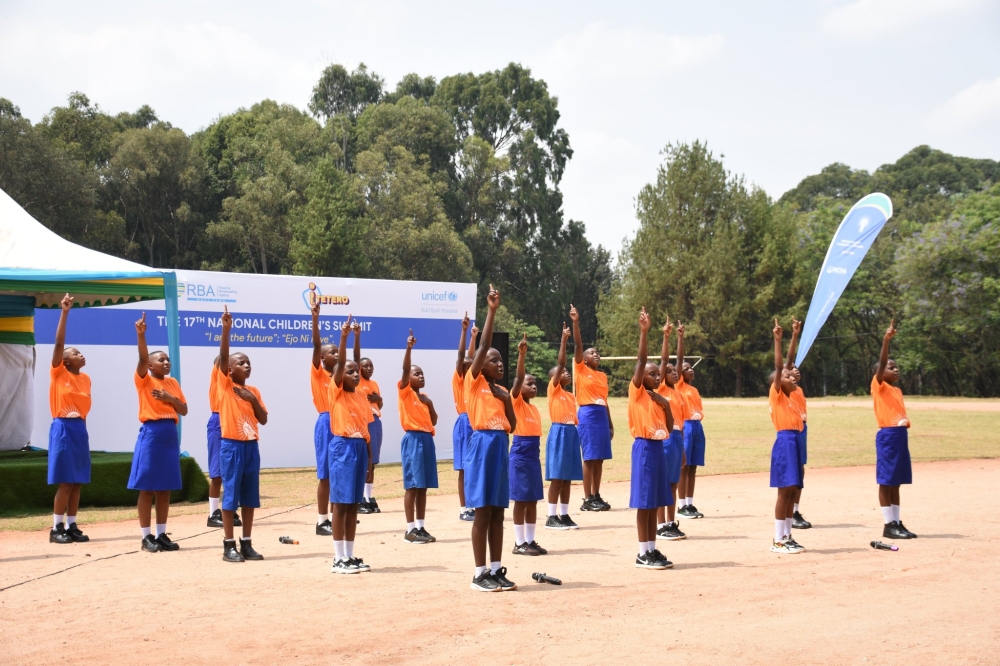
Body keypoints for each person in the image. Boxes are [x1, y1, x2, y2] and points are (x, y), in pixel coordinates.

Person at [465, 285, 518, 592]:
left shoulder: (500, 392)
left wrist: (507, 400)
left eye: (501, 361)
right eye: (493, 360)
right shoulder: (474, 383)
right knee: (483, 511)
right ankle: (479, 573)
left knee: (498, 511)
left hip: (500, 444)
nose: (499, 364)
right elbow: (483, 345)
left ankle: (497, 569)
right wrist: (492, 311)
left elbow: (511, 425)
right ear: (480, 364)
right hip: (482, 444)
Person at [127, 312, 188, 554]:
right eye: (161, 360)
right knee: (148, 488)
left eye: (168, 359)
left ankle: (161, 534)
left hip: (169, 435)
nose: (166, 362)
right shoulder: (144, 380)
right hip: (152, 434)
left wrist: (169, 397)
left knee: (165, 488)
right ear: (150, 366)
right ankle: (146, 536)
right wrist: (141, 335)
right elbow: (142, 357)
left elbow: (184, 409)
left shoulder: (172, 383)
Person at [217, 306, 269, 562]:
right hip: (232, 446)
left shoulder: (254, 391)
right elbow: (223, 355)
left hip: (251, 448)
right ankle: (228, 545)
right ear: (229, 369)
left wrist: (252, 399)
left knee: (249, 498)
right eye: (241, 363)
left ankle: (246, 542)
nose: (246, 366)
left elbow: (264, 419)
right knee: (230, 498)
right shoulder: (225, 386)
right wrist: (226, 330)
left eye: (249, 363)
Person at [627, 308, 674, 570]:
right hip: (644, 448)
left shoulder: (658, 399)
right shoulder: (637, 392)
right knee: (644, 503)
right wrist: (644, 332)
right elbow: (642, 359)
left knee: (654, 502)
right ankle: (642, 552)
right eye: (652, 374)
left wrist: (666, 405)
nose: (656, 377)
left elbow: (668, 429)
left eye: (659, 375)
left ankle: (653, 549)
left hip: (658, 448)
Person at [327, 315, 372, 573]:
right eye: (349, 371)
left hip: (358, 448)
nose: (355, 374)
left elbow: (365, 431)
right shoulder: (336, 392)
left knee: (354, 504)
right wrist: (344, 338)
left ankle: (350, 555)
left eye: (357, 371)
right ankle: (338, 558)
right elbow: (342, 360)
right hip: (342, 447)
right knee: (341, 504)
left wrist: (367, 462)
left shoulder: (362, 396)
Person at [47, 294, 92, 544]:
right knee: (65, 482)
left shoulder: (85, 379)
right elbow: (58, 343)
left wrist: (83, 432)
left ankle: (72, 525)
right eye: (77, 353)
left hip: (79, 430)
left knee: (77, 483)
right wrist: (65, 312)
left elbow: (84, 409)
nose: (81, 355)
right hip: (62, 428)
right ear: (65, 361)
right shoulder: (57, 373)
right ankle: (56, 528)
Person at [872, 320, 917, 540]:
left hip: (899, 436)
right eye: (891, 367)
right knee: (886, 481)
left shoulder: (896, 390)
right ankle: (888, 524)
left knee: (896, 481)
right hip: (888, 437)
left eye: (896, 366)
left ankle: (897, 522)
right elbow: (881, 365)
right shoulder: (878, 385)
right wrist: (886, 340)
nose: (895, 368)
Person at [398, 329, 440, 544]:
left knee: (423, 486)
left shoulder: (424, 397)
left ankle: (421, 527)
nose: (421, 376)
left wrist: (430, 404)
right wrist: (409, 348)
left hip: (426, 439)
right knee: (412, 485)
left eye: (422, 373)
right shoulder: (405, 392)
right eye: (417, 374)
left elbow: (433, 421)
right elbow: (405, 369)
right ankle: (409, 529)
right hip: (413, 439)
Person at [570, 304, 613, 512]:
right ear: (584, 359)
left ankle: (596, 495)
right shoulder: (580, 370)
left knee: (600, 458)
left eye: (597, 353)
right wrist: (576, 322)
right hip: (587, 415)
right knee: (589, 457)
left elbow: (605, 401)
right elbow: (578, 345)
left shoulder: (602, 376)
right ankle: (587, 499)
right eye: (592, 353)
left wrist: (611, 424)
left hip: (601, 416)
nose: (596, 355)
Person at [768, 319, 805, 554]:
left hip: (795, 441)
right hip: (785, 442)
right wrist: (778, 341)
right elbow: (782, 365)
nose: (793, 377)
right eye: (787, 377)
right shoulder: (778, 394)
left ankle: (788, 535)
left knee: (793, 490)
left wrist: (794, 335)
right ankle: (778, 539)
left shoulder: (792, 397)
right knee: (784, 491)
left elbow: (789, 365)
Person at [509, 333, 547, 556]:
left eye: (535, 384)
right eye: (529, 384)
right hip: (521, 453)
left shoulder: (533, 408)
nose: (533, 387)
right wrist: (521, 356)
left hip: (533, 454)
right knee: (521, 500)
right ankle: (519, 542)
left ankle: (530, 540)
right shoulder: (517, 403)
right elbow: (517, 380)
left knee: (532, 498)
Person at [544, 321, 583, 530]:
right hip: (559, 433)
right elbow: (560, 365)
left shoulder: (569, 395)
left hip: (570, 433)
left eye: (569, 372)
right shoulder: (554, 390)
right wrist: (564, 340)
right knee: (557, 477)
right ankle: (551, 516)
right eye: (562, 372)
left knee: (567, 478)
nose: (566, 373)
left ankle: (565, 514)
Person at [655, 318, 688, 542]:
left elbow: (679, 361)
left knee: (674, 482)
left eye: (674, 371)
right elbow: (665, 359)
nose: (673, 372)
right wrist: (667, 337)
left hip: (677, 438)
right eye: (668, 371)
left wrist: (680, 338)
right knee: (663, 482)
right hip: (665, 438)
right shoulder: (661, 388)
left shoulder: (677, 393)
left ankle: (670, 521)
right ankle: (660, 525)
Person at [310, 301, 337, 536]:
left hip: (341, 423)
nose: (337, 355)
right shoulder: (318, 373)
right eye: (332, 352)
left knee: (338, 471)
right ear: (321, 357)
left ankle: (337, 515)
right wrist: (315, 319)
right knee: (326, 474)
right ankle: (322, 521)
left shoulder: (339, 377)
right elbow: (317, 343)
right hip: (326, 422)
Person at [206, 355, 242, 529]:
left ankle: (230, 509)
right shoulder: (218, 376)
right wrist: (226, 332)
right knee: (218, 473)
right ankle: (213, 513)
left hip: (233, 423)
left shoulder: (234, 384)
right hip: (218, 422)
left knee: (232, 472)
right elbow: (223, 357)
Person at [784, 318, 812, 530]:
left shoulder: (799, 391)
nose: (796, 370)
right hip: (790, 433)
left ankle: (795, 509)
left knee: (800, 470)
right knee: (793, 470)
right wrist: (794, 335)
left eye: (797, 369)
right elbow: (787, 360)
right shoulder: (783, 390)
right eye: (792, 369)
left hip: (802, 431)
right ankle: (789, 512)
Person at [355, 325, 384, 514]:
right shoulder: (356, 380)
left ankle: (368, 496)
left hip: (375, 421)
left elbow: (379, 406)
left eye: (370, 366)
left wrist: (379, 400)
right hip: (362, 423)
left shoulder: (374, 383)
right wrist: (357, 336)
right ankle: (359, 498)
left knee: (372, 461)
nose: (368, 368)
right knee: (363, 461)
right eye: (364, 366)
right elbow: (356, 357)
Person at [452, 314, 478, 521]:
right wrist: (464, 332)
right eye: (466, 366)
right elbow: (463, 356)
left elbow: (471, 358)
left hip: (477, 423)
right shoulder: (460, 379)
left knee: (475, 465)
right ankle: (464, 508)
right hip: (464, 422)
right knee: (463, 467)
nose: (470, 368)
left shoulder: (474, 381)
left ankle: (474, 504)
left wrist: (473, 337)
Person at [676, 358, 705, 520]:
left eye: (691, 368)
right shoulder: (678, 386)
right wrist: (680, 338)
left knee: (693, 466)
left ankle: (689, 503)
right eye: (686, 368)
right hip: (686, 426)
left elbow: (700, 409)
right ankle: (681, 506)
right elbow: (679, 361)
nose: (690, 370)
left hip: (697, 426)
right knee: (684, 466)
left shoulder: (693, 389)